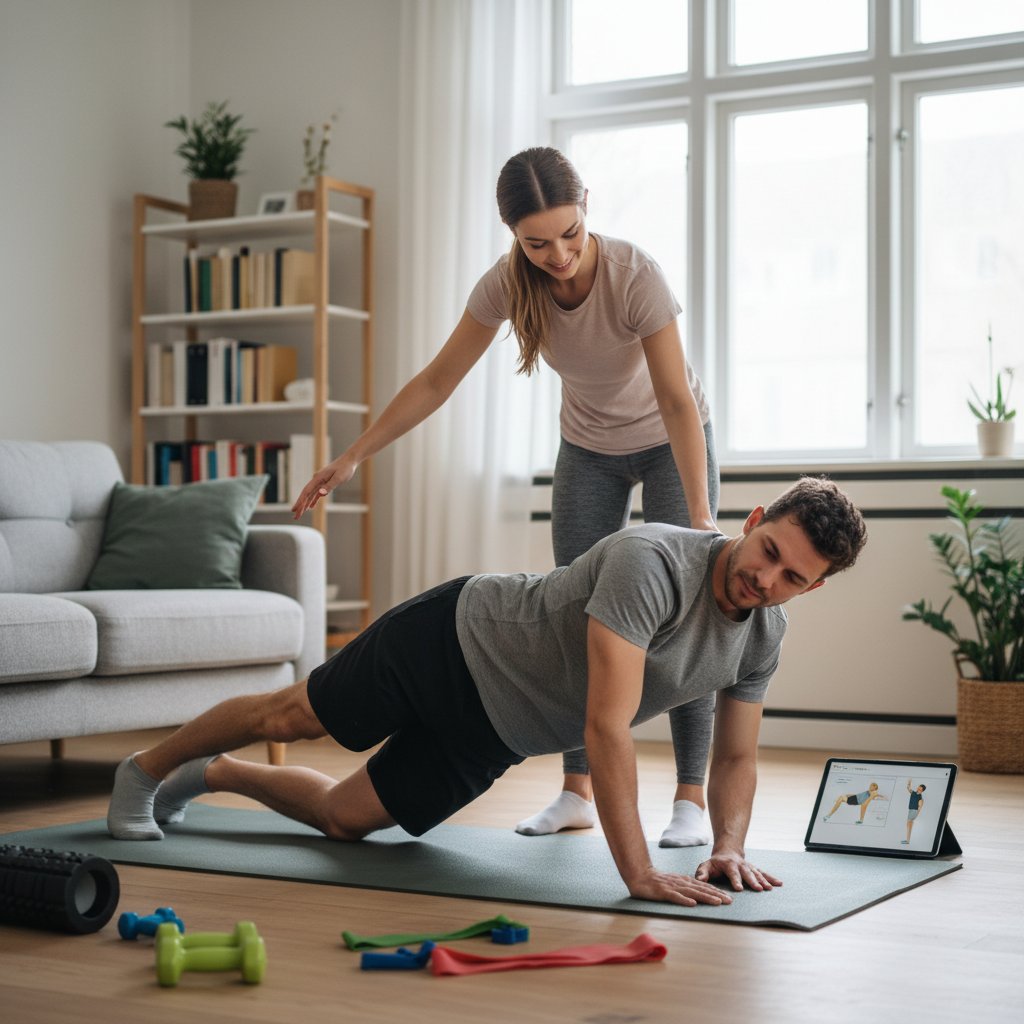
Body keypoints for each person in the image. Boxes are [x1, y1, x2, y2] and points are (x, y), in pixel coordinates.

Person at [108, 477, 867, 907]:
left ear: (816, 586)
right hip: (454, 642)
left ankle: (213, 775)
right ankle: (142, 771)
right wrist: (635, 872)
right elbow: (606, 728)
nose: (765, 579)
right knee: (295, 714)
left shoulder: (764, 638)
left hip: (497, 733)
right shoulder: (652, 564)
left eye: (793, 577)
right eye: (768, 551)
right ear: (756, 518)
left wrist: (728, 848)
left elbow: (736, 760)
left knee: (346, 821)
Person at [292, 146, 720, 848]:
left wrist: (701, 518)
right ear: (514, 236)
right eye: (538, 242)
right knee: (582, 615)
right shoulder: (506, 284)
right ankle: (576, 791)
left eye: (572, 234)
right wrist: (350, 457)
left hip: (674, 440)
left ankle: (690, 798)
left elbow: (675, 399)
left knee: (688, 613)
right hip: (588, 450)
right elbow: (436, 381)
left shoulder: (635, 274)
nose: (560, 255)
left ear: (587, 211)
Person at [823, 782, 889, 824]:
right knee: (842, 797)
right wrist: (849, 795)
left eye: (873, 786)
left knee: (841, 797)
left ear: (875, 788)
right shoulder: (869, 791)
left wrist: (882, 797)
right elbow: (859, 795)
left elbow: (874, 795)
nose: (871, 786)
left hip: (855, 800)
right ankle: (829, 815)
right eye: (871, 785)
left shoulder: (873, 792)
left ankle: (829, 815)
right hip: (854, 797)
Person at [903, 780, 926, 844]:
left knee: (909, 825)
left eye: (920, 789)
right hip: (910, 810)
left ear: (922, 790)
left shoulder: (920, 798)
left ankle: (907, 841)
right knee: (908, 825)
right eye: (918, 788)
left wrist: (916, 816)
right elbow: (908, 788)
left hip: (914, 811)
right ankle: (907, 840)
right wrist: (909, 783)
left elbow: (919, 808)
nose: (918, 789)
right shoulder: (913, 793)